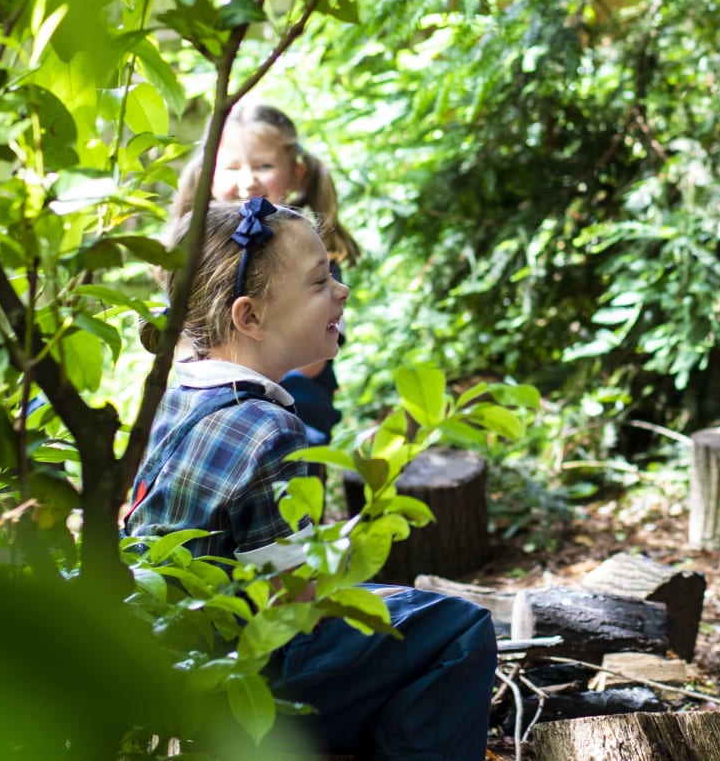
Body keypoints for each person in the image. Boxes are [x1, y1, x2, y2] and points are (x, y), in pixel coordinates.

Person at [124, 196, 495, 760]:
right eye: (320, 282)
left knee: (401, 617)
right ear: (250, 317)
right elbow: (291, 603)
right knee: (455, 628)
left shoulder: (170, 401)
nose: (340, 291)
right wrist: (354, 545)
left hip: (170, 661)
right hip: (245, 674)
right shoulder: (269, 429)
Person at [171, 103, 360, 444]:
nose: (247, 181)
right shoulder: (198, 255)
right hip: (214, 418)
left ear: (297, 174)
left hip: (298, 423)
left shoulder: (313, 258)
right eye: (230, 167)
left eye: (264, 166)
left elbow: (311, 364)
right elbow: (181, 345)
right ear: (208, 174)